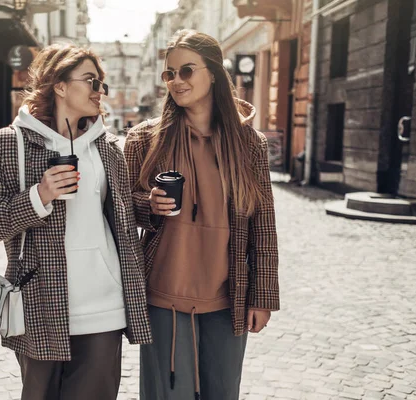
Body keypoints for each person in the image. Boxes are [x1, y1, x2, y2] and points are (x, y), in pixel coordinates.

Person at [0, 43, 151, 400]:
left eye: (101, 83)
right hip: (40, 302)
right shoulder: (11, 143)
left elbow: (123, 214)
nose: (98, 90)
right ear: (59, 85)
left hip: (105, 303)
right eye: (90, 81)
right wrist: (38, 196)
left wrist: (156, 208)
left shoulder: (108, 147)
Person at [124, 29, 280, 400]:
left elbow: (264, 225)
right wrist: (149, 206)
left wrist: (263, 296)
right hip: (162, 295)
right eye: (169, 74)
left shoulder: (249, 144)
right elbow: (119, 206)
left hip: (228, 297)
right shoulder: (145, 139)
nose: (177, 81)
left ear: (213, 73)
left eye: (187, 71)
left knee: (222, 394)